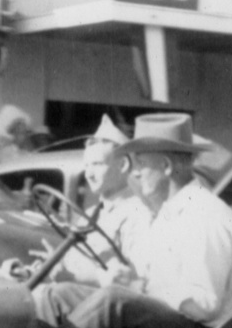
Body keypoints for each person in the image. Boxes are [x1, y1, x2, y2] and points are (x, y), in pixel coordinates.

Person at [34, 113, 232, 328]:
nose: (134, 173)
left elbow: (204, 304)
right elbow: (147, 277)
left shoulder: (205, 215)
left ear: (166, 166)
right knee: (56, 295)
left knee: (113, 303)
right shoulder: (168, 213)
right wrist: (127, 278)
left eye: (139, 163)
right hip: (175, 324)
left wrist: (137, 286)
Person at [28, 115, 150, 287]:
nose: (89, 174)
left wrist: (69, 277)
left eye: (97, 165)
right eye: (86, 166)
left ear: (122, 165)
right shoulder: (90, 214)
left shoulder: (138, 214)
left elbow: (131, 280)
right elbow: (71, 267)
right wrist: (45, 270)